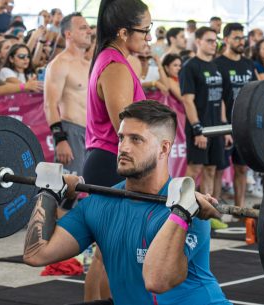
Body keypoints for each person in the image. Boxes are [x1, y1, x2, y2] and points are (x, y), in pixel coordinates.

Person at [22, 100, 230, 305]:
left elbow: (157, 281)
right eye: (121, 137)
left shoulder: (191, 211)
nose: (124, 147)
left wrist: (182, 213)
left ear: (164, 149)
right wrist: (49, 193)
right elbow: (36, 254)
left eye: (136, 139)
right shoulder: (100, 203)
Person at [84, 0, 152, 301]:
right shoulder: (115, 67)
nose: (148, 38)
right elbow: (126, 131)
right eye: (145, 31)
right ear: (124, 32)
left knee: (107, 256)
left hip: (110, 162)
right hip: (111, 164)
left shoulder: (113, 60)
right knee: (112, 258)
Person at [180, 27, 231, 220]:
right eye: (209, 40)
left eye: (214, 40)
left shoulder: (218, 66)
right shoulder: (190, 67)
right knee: (194, 169)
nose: (213, 44)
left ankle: (207, 214)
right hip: (200, 127)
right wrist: (197, 129)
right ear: (198, 42)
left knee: (211, 169)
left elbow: (223, 99)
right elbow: (187, 100)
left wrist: (225, 128)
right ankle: (181, 211)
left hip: (216, 127)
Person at [212, 23, 256, 219]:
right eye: (237, 37)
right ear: (226, 39)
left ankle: (239, 212)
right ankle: (214, 213)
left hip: (245, 125)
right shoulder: (218, 64)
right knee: (219, 169)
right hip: (225, 125)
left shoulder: (248, 64)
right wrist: (224, 126)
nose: (241, 41)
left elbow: (256, 91)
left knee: (241, 168)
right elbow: (218, 96)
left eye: (242, 37)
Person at [44, 13, 93, 176]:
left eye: (89, 27)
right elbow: (50, 104)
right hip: (71, 131)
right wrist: (60, 140)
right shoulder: (59, 64)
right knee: (68, 192)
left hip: (93, 133)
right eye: (83, 28)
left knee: (92, 186)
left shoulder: (89, 65)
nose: (89, 31)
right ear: (68, 34)